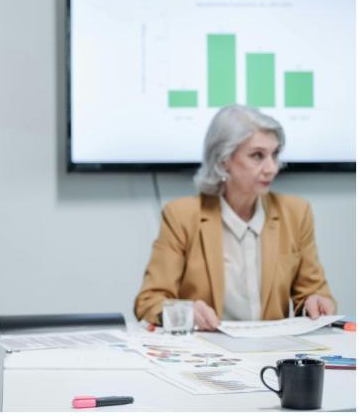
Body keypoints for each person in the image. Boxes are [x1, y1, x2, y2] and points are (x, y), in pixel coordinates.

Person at [134, 104, 335, 331]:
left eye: (275, 154)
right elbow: (149, 301)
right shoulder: (182, 215)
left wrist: (314, 302)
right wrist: (186, 313)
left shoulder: (296, 212)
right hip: (206, 355)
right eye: (257, 156)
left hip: (273, 353)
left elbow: (313, 292)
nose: (272, 168)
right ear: (223, 161)